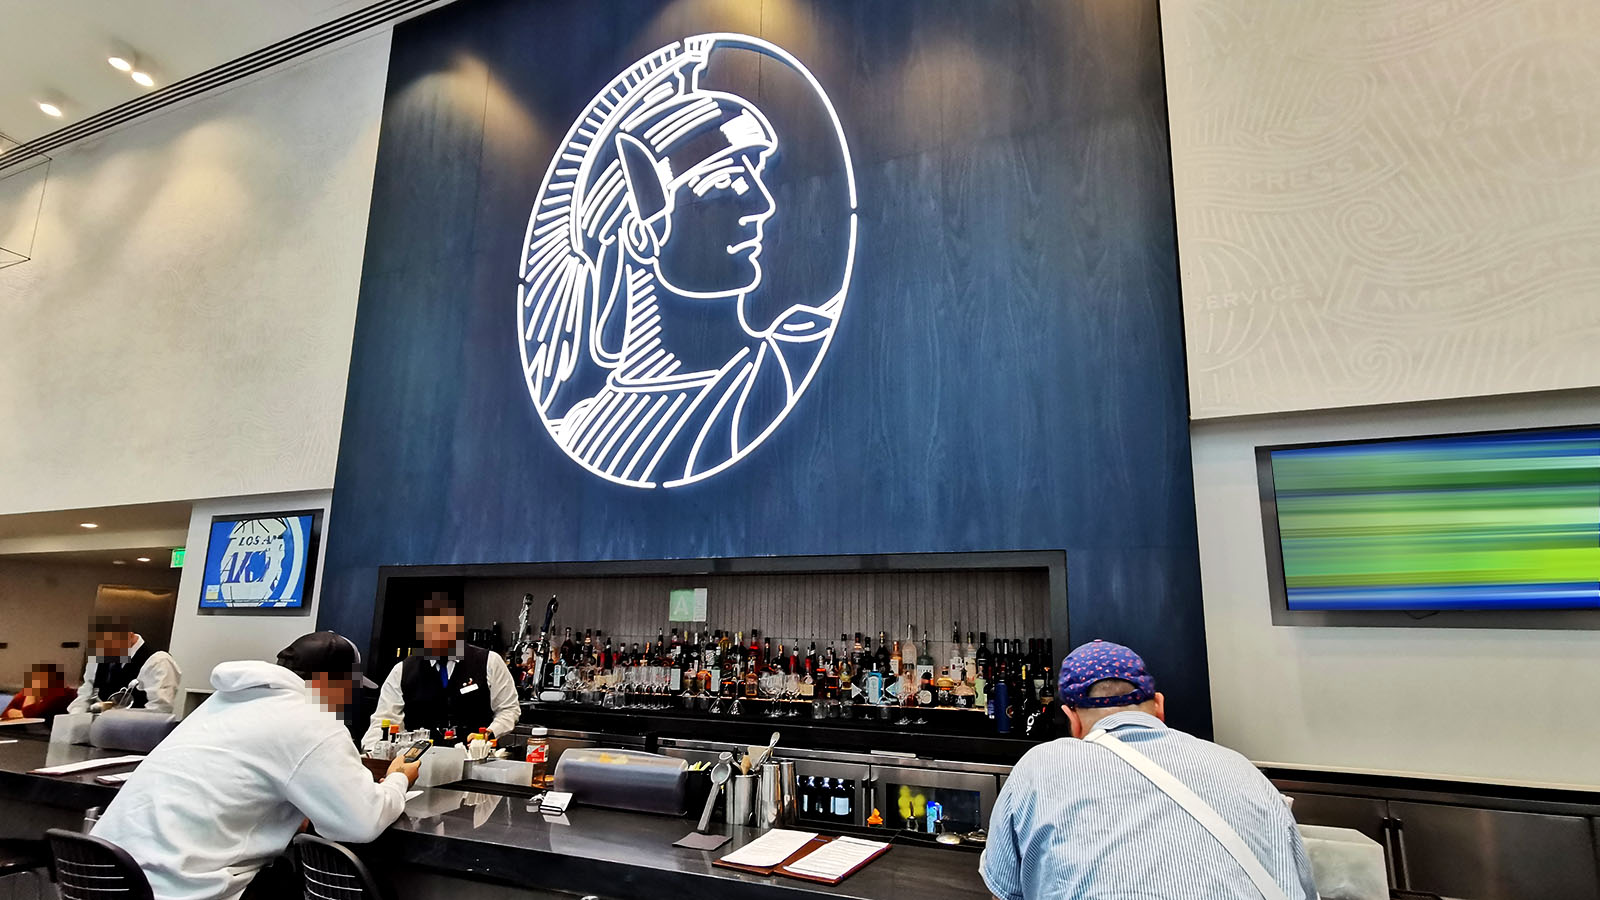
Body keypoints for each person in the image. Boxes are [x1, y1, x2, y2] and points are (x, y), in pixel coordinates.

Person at [91, 632, 420, 900]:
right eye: (350, 689)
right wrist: (397, 780)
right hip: (182, 889)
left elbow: (241, 780)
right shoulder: (311, 719)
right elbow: (361, 822)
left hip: (103, 876)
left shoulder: (221, 704)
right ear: (334, 683)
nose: (349, 700)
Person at [981, 640, 1316, 900]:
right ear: (1158, 706)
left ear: (1073, 719)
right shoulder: (1240, 769)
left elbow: (1004, 891)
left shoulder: (1041, 767)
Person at [361, 592, 520, 751]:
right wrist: (372, 751)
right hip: (421, 762)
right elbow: (385, 720)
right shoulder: (403, 670)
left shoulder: (489, 661)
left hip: (477, 759)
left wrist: (489, 733)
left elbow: (508, 709)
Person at [67, 617, 181, 714]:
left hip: (135, 732)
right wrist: (75, 718)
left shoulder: (158, 661)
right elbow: (85, 695)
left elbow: (159, 709)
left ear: (130, 636)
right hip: (98, 730)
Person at [2, 663, 74, 720]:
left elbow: (30, 714)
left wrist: (33, 692)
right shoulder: (30, 691)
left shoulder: (61, 694)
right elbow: (5, 712)